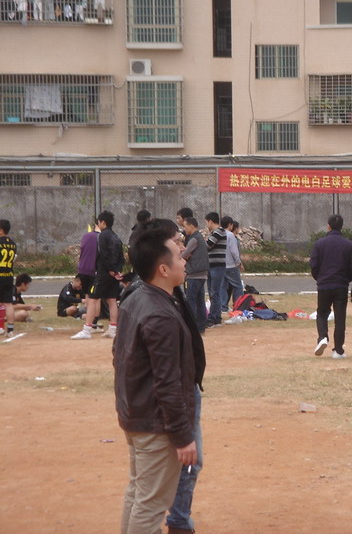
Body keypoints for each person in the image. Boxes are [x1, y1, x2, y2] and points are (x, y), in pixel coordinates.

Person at [113, 225, 199, 534]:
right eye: (178, 255)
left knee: (139, 493)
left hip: (138, 415)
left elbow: (120, 357)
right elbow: (167, 382)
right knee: (150, 504)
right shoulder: (159, 313)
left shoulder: (137, 298)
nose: (184, 260)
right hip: (155, 424)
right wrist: (182, 435)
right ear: (163, 269)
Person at [72, 210, 124, 340]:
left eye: (99, 222)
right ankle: (113, 329)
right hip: (113, 274)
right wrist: (116, 270)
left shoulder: (102, 236)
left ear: (103, 222)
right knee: (112, 300)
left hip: (103, 273)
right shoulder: (116, 237)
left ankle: (87, 329)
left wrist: (110, 269)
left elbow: (104, 254)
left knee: (93, 299)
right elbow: (121, 257)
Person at [310, 214, 352, 358]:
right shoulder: (349, 245)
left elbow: (314, 265)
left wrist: (319, 278)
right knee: (340, 318)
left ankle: (323, 337)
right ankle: (338, 350)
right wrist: (347, 279)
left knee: (322, 313)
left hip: (324, 284)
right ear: (342, 227)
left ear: (328, 226)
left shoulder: (319, 244)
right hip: (341, 284)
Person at [182, 217, 208, 333]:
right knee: (200, 302)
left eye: (185, 226)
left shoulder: (194, 239)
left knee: (191, 302)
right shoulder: (200, 237)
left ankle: (191, 328)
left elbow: (184, 254)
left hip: (193, 275)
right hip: (202, 275)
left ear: (191, 226)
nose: (184, 229)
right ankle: (201, 327)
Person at [205, 212, 227, 329]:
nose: (206, 225)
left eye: (206, 222)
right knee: (212, 293)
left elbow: (208, 245)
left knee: (215, 293)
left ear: (210, 221)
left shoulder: (219, 231)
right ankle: (215, 317)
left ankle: (214, 318)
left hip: (217, 266)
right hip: (212, 266)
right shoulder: (215, 233)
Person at [222, 216, 244, 311]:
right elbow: (234, 252)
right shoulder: (230, 235)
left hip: (221, 265)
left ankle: (223, 306)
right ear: (230, 225)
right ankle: (238, 305)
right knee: (237, 286)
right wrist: (238, 262)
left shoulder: (218, 234)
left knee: (223, 287)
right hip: (231, 265)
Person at [0, 220, 17, 338]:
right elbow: (14, 259)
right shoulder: (13, 244)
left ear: (1, 230)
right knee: (8, 303)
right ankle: (10, 330)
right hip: (8, 276)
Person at [77, 220, 100, 301]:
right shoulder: (101, 237)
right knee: (94, 296)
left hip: (82, 268)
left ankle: (87, 307)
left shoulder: (86, 236)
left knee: (86, 294)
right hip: (93, 270)